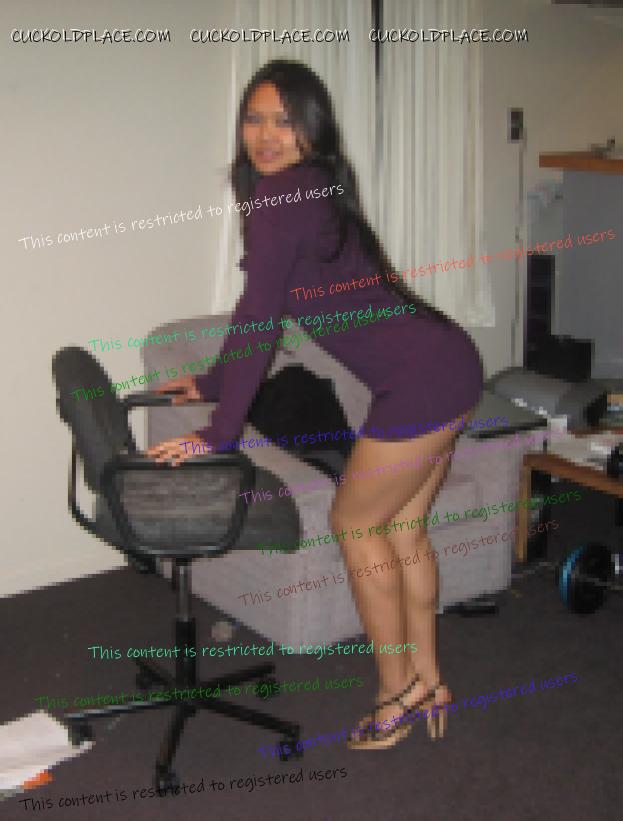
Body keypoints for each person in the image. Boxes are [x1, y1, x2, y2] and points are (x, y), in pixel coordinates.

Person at [147, 59, 483, 750]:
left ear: (313, 129)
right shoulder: (313, 190)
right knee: (403, 531)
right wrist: (213, 385)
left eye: (285, 121)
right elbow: (257, 317)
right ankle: (427, 678)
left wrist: (219, 430)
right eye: (254, 119)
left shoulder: (284, 197)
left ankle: (396, 694)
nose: (266, 135)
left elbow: (259, 320)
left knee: (353, 522)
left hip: (420, 381)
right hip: (450, 364)